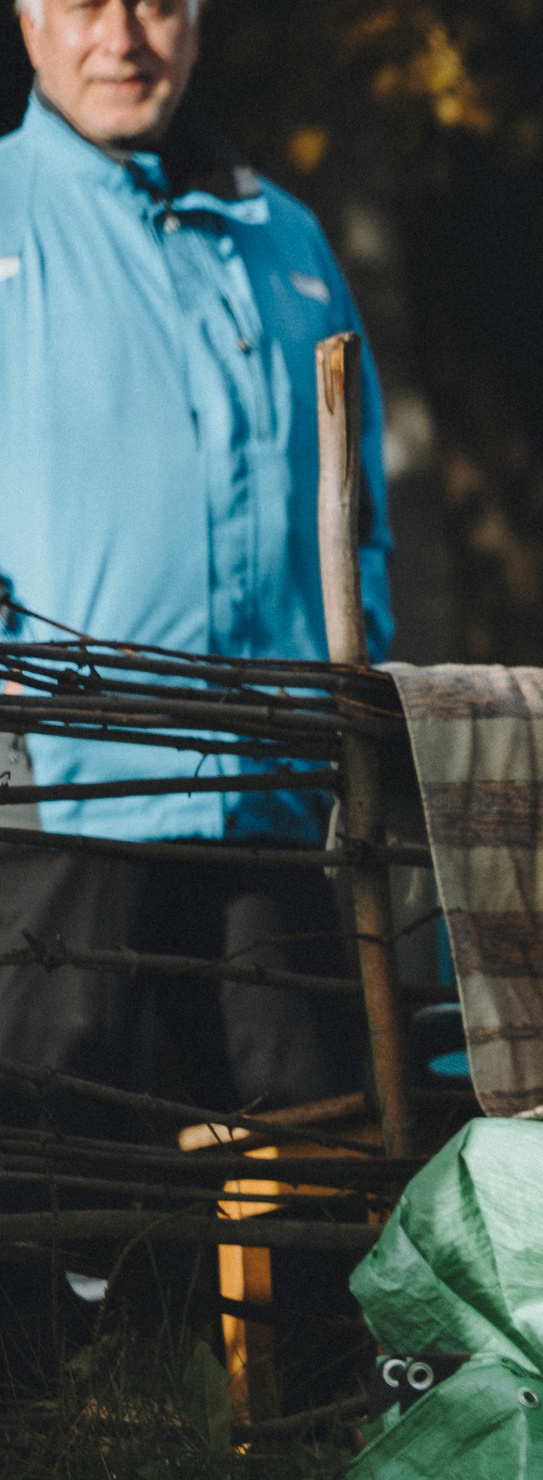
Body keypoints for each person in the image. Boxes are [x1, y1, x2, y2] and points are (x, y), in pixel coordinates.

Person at [0, 0, 393, 1140]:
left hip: (270, 794)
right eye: (83, 5)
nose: (122, 38)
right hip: (65, 804)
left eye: (156, 5)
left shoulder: (286, 238)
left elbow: (360, 503)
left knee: (310, 1166)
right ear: (28, 22)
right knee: (53, 1178)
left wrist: (347, 665)